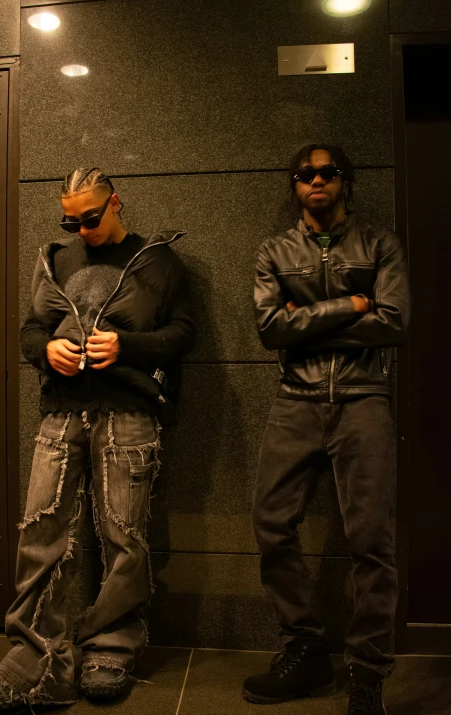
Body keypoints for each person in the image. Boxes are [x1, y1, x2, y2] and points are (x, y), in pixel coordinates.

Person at [0, 168, 196, 709]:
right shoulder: (57, 258)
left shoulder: (158, 260)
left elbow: (185, 334)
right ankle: (32, 655)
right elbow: (29, 328)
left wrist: (128, 347)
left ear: (116, 203)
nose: (80, 230)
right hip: (62, 410)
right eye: (69, 220)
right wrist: (44, 350)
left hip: (130, 410)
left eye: (90, 218)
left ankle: (113, 645)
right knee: (41, 529)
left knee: (124, 534)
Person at [243, 145, 410, 714]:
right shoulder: (274, 250)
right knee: (270, 524)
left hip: (364, 399)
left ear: (345, 181)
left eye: (326, 173)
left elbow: (393, 322)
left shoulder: (380, 244)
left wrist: (306, 321)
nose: (315, 181)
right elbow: (270, 330)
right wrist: (353, 304)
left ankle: (367, 676)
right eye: (304, 175)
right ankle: (306, 648)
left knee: (371, 541)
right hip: (296, 399)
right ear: (293, 186)